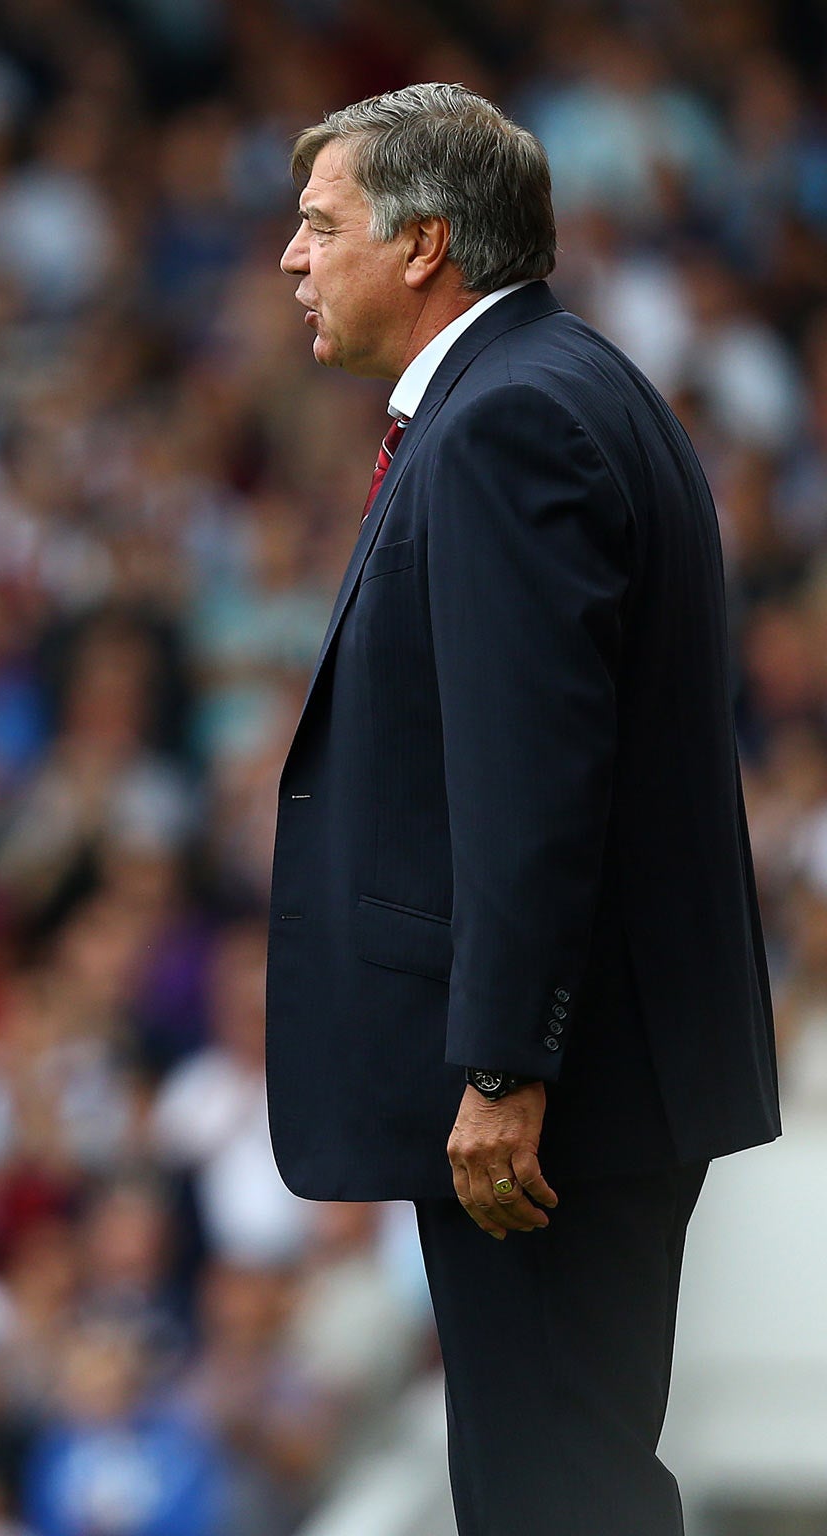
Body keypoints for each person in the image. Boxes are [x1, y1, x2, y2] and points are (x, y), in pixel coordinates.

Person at [266, 85, 779, 1536]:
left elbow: (531, 768)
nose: (291, 260)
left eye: (319, 225)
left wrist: (503, 1062)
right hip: (594, 1071)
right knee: (559, 1477)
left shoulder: (506, 423)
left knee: (557, 1492)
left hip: (556, 1096)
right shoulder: (571, 384)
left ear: (425, 243)